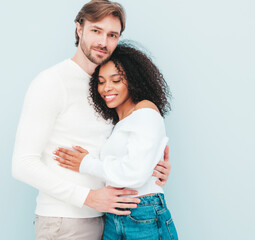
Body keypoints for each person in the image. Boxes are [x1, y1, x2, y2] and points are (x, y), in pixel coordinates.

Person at [12, 1, 171, 239]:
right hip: (67, 221)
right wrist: (88, 197)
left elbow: (123, 144)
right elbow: (22, 164)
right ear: (79, 29)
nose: (103, 42)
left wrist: (151, 167)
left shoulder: (109, 90)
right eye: (96, 30)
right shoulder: (52, 82)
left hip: (110, 219)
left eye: (112, 35)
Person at [53, 42, 178, 239]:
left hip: (142, 212)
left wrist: (86, 164)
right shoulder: (118, 122)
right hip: (113, 214)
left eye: (116, 80)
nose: (106, 88)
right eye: (101, 81)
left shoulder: (145, 110)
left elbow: (134, 174)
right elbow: (130, 169)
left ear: (134, 81)